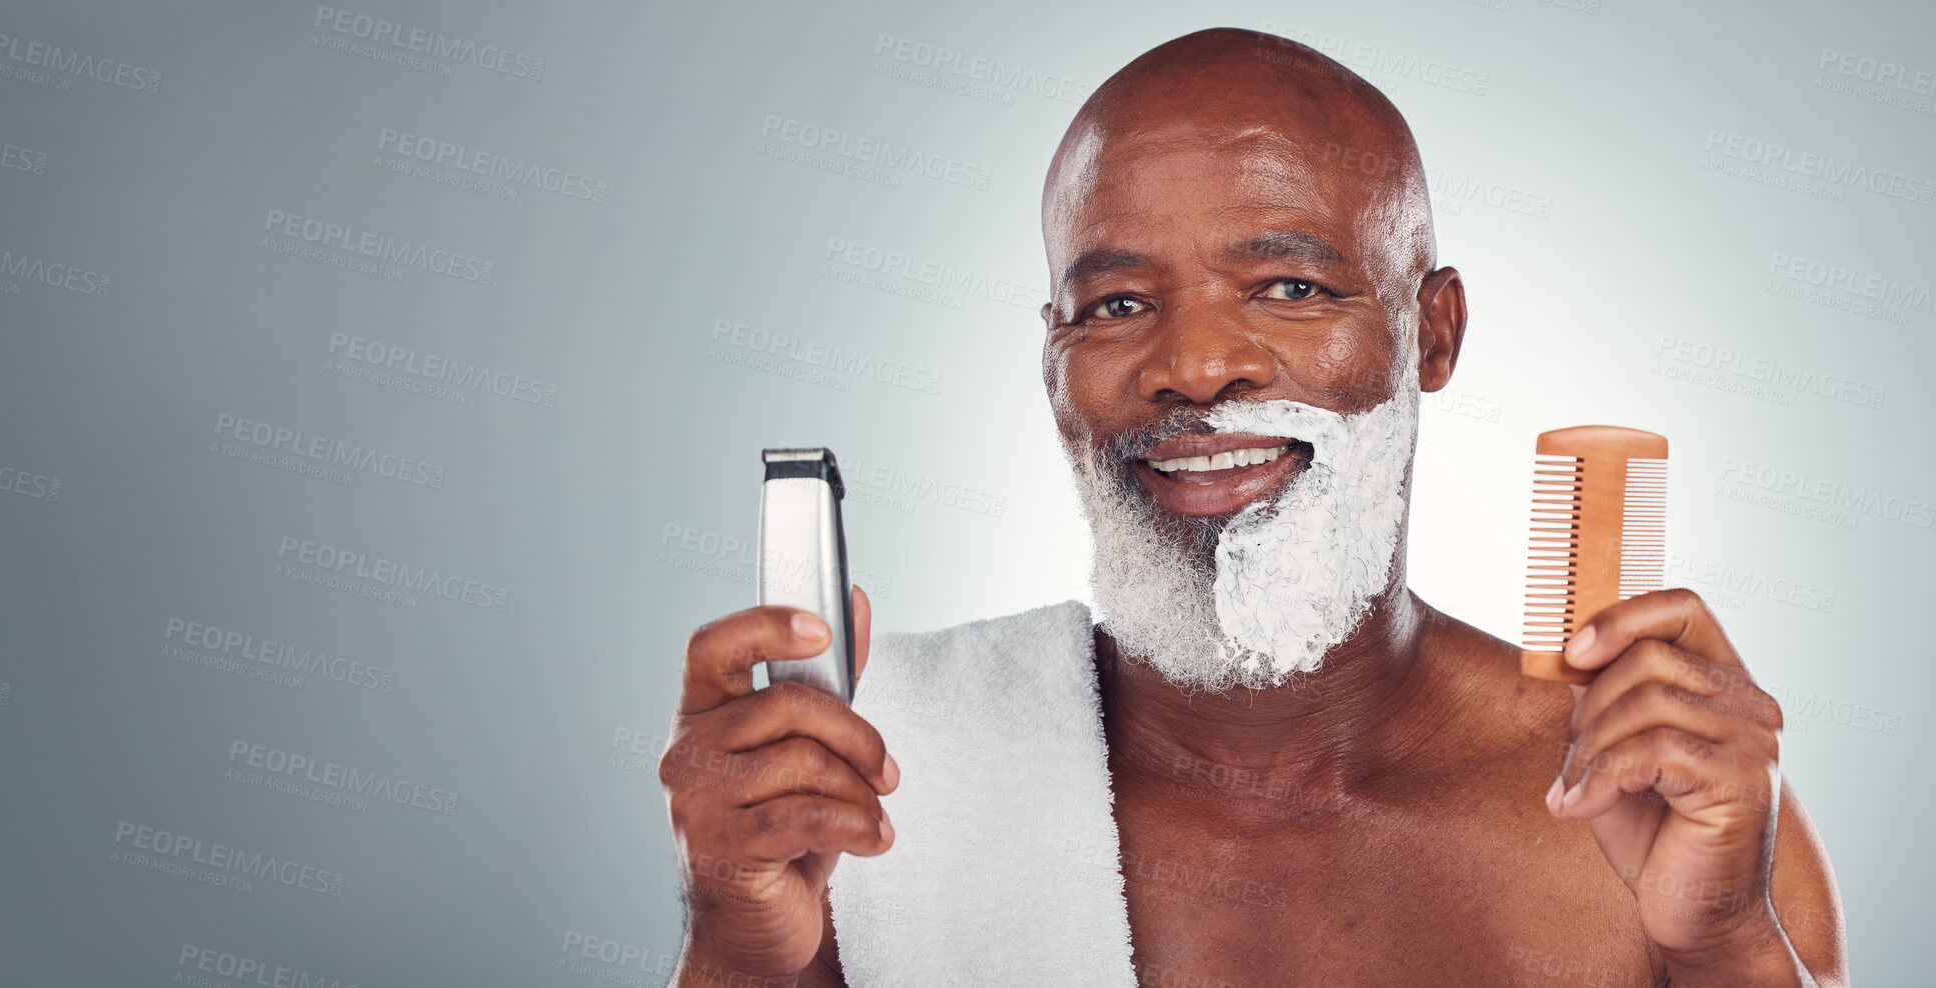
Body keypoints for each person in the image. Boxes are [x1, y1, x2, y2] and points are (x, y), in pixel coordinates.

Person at [659, 28, 1845, 987]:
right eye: (1115, 305)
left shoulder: (1667, 809)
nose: (1197, 364)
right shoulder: (863, 788)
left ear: (1430, 332)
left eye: (1288, 286)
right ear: (1051, 357)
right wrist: (734, 954)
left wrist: (1723, 949)